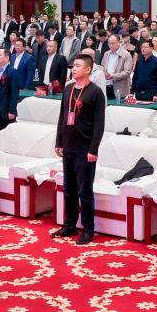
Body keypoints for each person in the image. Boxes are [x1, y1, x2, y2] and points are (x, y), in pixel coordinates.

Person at [52, 54, 106, 245]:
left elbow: (99, 124)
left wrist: (93, 149)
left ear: (88, 69)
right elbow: (62, 116)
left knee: (84, 191)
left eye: (77, 66)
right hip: (68, 146)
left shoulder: (95, 92)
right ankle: (70, 224)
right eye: (73, 66)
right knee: (69, 189)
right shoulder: (68, 89)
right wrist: (59, 141)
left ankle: (88, 229)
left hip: (85, 149)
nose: (73, 69)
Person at [101, 35, 133, 99]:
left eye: (113, 43)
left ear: (119, 42)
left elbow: (127, 72)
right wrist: (103, 72)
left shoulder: (126, 54)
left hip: (120, 87)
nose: (111, 45)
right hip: (106, 85)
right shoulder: (106, 53)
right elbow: (102, 66)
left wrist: (112, 76)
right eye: (109, 43)